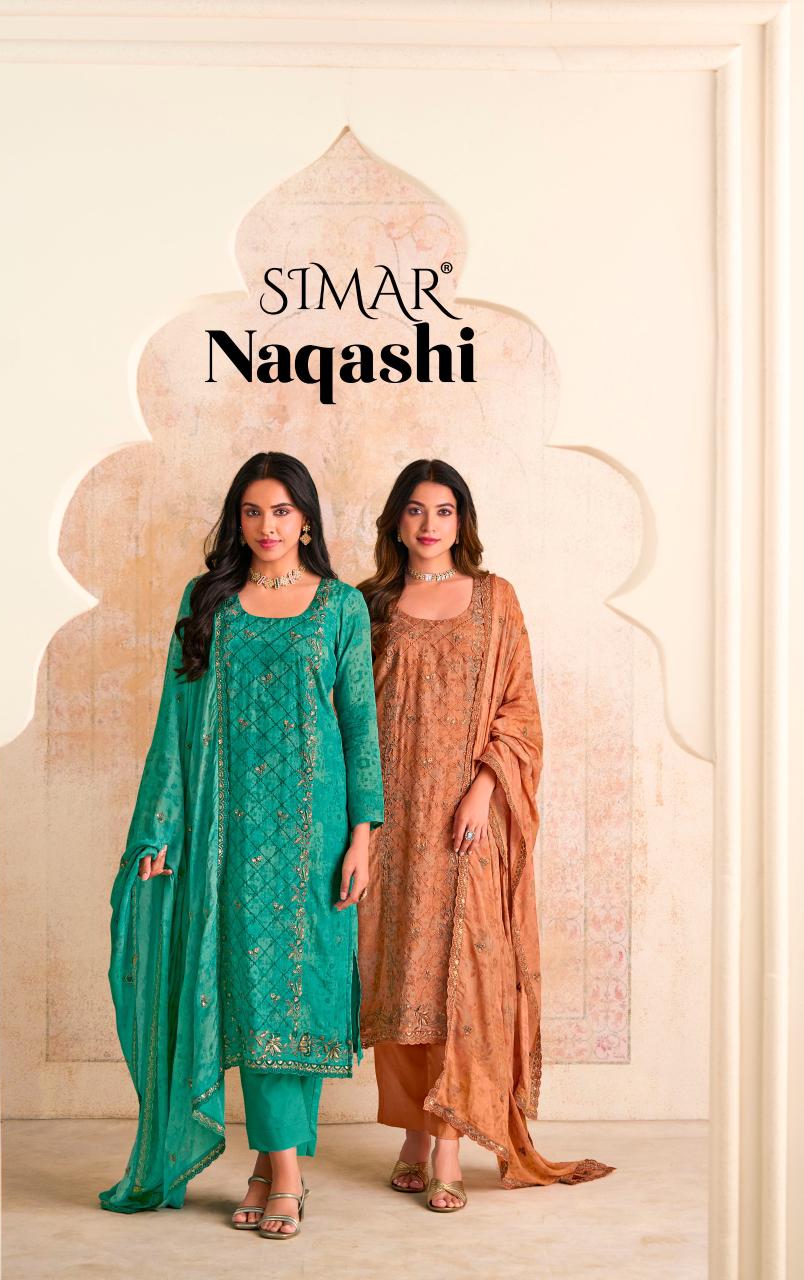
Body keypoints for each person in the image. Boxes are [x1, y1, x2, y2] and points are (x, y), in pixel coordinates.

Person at [99, 451, 384, 1239]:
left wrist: (363, 837)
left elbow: (360, 725)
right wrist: (162, 826)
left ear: (307, 521)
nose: (267, 526)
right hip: (226, 836)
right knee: (249, 994)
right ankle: (276, 1169)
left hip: (314, 836)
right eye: (252, 512)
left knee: (294, 998)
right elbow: (175, 721)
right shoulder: (208, 602)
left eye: (282, 511)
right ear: (237, 520)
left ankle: (278, 1169)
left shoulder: (339, 607)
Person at [357, 458, 614, 1213]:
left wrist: (482, 790)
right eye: (415, 509)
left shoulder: (496, 599)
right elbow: (350, 712)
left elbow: (521, 710)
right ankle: (413, 1132)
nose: (429, 524)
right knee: (397, 973)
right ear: (396, 520)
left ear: (462, 521)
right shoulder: (370, 604)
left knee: (463, 977)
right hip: (391, 818)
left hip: (467, 825)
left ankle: (448, 1144)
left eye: (444, 510)